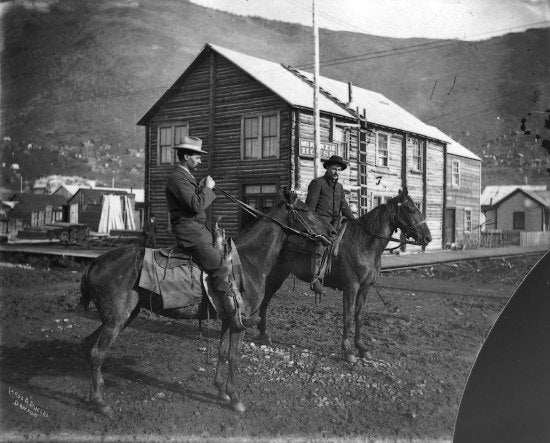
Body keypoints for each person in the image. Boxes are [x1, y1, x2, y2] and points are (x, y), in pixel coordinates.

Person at [165, 135, 236, 317]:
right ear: (186, 156)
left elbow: (193, 200)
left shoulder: (186, 177)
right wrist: (208, 188)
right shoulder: (177, 178)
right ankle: (229, 312)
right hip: (190, 233)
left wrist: (201, 186)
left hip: (198, 231)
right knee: (220, 265)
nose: (200, 160)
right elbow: (196, 205)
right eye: (197, 157)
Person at [305, 155, 356, 294]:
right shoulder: (317, 183)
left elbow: (344, 207)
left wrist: (355, 221)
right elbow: (309, 209)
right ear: (327, 168)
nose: (336, 172)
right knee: (322, 243)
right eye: (334, 169)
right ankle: (316, 279)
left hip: (335, 223)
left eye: (339, 170)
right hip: (318, 223)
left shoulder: (339, 187)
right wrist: (319, 224)